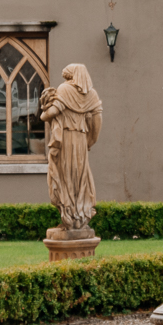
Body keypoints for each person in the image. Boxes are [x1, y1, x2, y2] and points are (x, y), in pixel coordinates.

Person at [40, 63, 103, 234]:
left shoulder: (64, 90)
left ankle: (69, 215)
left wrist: (43, 112)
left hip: (66, 140)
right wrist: (90, 141)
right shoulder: (91, 94)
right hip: (81, 141)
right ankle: (80, 216)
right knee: (81, 175)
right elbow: (97, 122)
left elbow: (51, 113)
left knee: (65, 175)